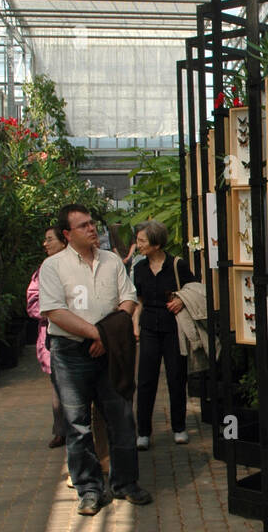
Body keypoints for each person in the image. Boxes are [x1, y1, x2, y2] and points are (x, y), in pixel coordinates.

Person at [39, 204, 153, 516]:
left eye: (92, 223)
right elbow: (54, 312)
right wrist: (98, 335)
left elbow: (128, 298)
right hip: (70, 354)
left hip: (109, 351)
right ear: (67, 234)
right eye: (83, 226)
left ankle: (125, 483)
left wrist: (105, 336)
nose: (92, 229)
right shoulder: (54, 267)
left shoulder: (111, 260)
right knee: (77, 424)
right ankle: (88, 489)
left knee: (121, 417)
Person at [132, 220, 197, 448]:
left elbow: (194, 290)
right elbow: (138, 300)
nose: (138, 245)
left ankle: (179, 427)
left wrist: (180, 300)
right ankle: (143, 432)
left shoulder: (177, 265)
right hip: (149, 327)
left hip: (173, 328)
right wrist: (135, 326)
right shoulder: (139, 269)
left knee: (176, 377)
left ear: (157, 243)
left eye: (142, 240)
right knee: (146, 380)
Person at [27, 226, 69, 448]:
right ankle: (61, 431)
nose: (45, 244)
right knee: (57, 386)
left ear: (64, 241)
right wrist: (55, 311)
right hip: (52, 336)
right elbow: (32, 303)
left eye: (49, 239)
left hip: (78, 336)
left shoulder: (76, 265)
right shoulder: (43, 270)